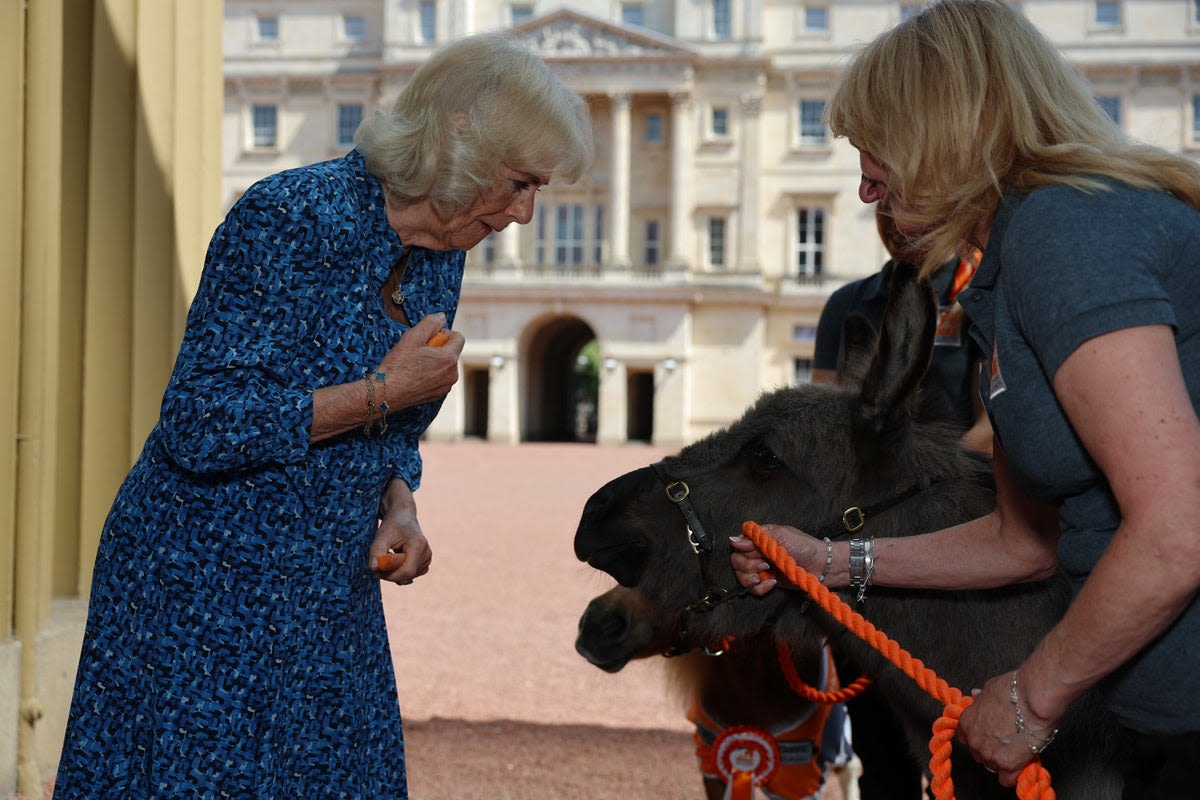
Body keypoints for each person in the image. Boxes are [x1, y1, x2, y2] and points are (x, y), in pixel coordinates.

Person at [55, 33, 592, 798]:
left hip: (326, 590)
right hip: (204, 587)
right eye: (519, 183)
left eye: (538, 190)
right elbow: (200, 422)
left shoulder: (445, 248)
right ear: (458, 145)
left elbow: (396, 431)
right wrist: (380, 389)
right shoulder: (290, 216)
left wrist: (399, 504)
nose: (526, 214)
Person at [730, 0, 1200, 795]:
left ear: (942, 128)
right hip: (1152, 717)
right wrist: (833, 562)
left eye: (872, 146)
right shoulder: (1001, 271)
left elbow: (1176, 531)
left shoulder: (1065, 231)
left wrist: (1029, 696)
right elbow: (1024, 539)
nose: (862, 187)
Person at [812, 207, 991, 800]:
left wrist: (910, 497)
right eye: (880, 206)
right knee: (880, 753)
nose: (890, 218)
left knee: (965, 756)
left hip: (957, 539)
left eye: (904, 202)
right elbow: (825, 427)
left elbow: (996, 429)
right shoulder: (848, 305)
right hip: (866, 550)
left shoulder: (984, 298)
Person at [813, 206, 991, 456]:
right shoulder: (845, 303)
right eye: (884, 207)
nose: (894, 222)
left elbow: (991, 430)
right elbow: (824, 420)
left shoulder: (978, 296)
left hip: (951, 482)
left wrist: (919, 481)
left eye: (909, 206)